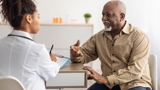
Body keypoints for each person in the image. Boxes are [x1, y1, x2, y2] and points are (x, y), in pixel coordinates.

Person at [70, 0, 152, 90]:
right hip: (109, 85)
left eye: (108, 15)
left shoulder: (139, 37)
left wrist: (105, 79)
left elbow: (135, 70)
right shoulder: (99, 37)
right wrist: (76, 55)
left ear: (121, 16)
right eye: (103, 14)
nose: (103, 18)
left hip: (135, 83)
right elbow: (84, 55)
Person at [0, 0, 60, 90]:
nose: (39, 22)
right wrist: (54, 62)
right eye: (38, 17)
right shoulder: (38, 50)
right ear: (29, 18)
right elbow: (50, 73)